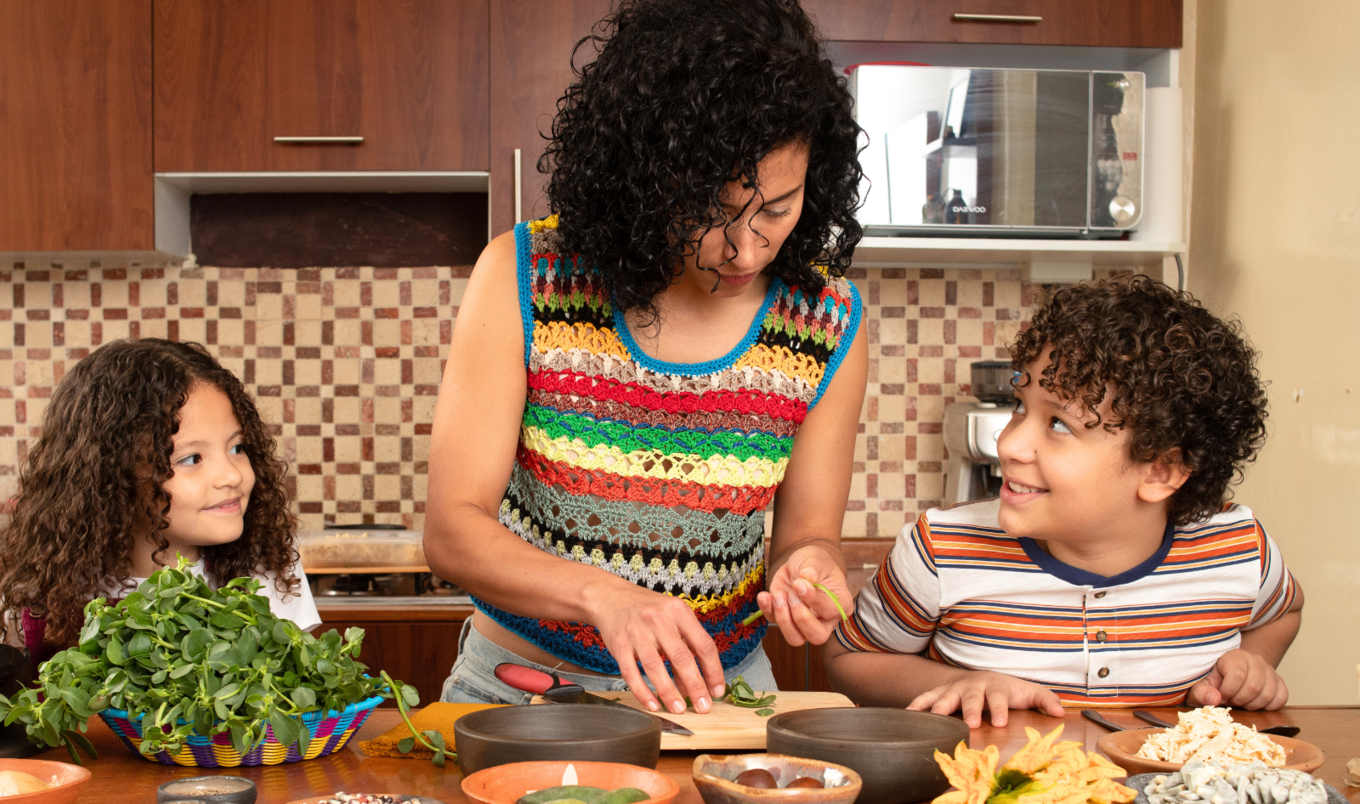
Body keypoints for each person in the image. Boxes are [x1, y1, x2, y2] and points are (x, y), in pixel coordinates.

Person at [424, 0, 868, 716]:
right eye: (708, 214)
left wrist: (810, 567)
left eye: (776, 209)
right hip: (520, 691)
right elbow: (452, 530)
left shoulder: (826, 320)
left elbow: (807, 536)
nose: (745, 250)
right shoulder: (526, 275)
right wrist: (607, 598)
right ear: (643, 180)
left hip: (721, 704)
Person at [825, 276, 1303, 727]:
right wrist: (956, 683)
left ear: (1160, 470)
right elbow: (849, 657)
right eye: (1020, 406)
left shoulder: (1238, 550)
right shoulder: (942, 550)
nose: (1009, 444)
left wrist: (1251, 665)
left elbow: (1284, 611)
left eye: (1058, 424)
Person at [0, 339, 319, 665]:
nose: (232, 475)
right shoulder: (43, 583)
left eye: (237, 448)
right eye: (192, 458)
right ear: (114, 473)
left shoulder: (267, 568)